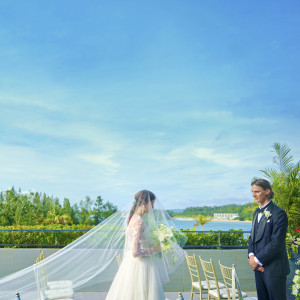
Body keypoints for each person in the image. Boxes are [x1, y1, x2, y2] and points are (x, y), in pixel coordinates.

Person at [106, 190, 184, 300]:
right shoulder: (139, 221)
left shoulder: (133, 219)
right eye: (151, 203)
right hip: (141, 266)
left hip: (131, 265)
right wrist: (157, 248)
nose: (152, 207)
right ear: (144, 203)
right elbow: (135, 252)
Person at [248, 179, 290, 300]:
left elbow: (276, 243)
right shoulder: (256, 213)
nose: (253, 195)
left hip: (274, 269)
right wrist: (251, 256)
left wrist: (257, 260)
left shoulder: (279, 214)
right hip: (259, 268)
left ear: (267, 191)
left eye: (257, 191)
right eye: (252, 192)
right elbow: (252, 237)